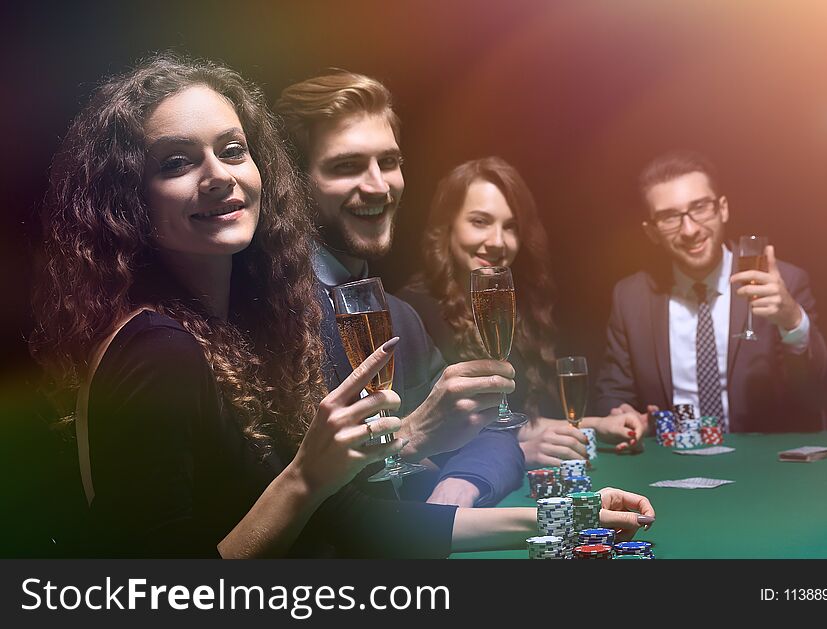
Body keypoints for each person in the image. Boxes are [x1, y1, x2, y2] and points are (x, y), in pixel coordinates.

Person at [30, 54, 654, 557]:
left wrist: (560, 517)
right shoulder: (159, 348)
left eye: (232, 149)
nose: (218, 175)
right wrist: (323, 472)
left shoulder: (240, 330)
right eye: (176, 162)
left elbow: (351, 521)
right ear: (127, 199)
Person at [274, 72, 526, 507]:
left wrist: (458, 487)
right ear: (295, 183)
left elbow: (494, 437)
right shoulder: (266, 312)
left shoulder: (398, 316)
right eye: (347, 166)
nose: (378, 185)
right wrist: (412, 436)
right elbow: (305, 501)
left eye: (388, 162)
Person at [397, 157, 646, 469]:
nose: (498, 241)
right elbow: (415, 446)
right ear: (447, 227)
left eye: (511, 227)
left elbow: (511, 422)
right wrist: (519, 455)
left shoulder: (507, 309)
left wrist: (596, 424)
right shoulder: (411, 313)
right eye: (480, 221)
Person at [595, 150, 827, 433]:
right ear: (651, 232)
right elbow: (611, 396)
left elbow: (818, 396)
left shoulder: (783, 283)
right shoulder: (631, 298)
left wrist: (793, 320)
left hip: (765, 465)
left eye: (700, 208)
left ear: (722, 209)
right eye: (670, 217)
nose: (689, 229)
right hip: (673, 467)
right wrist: (620, 416)